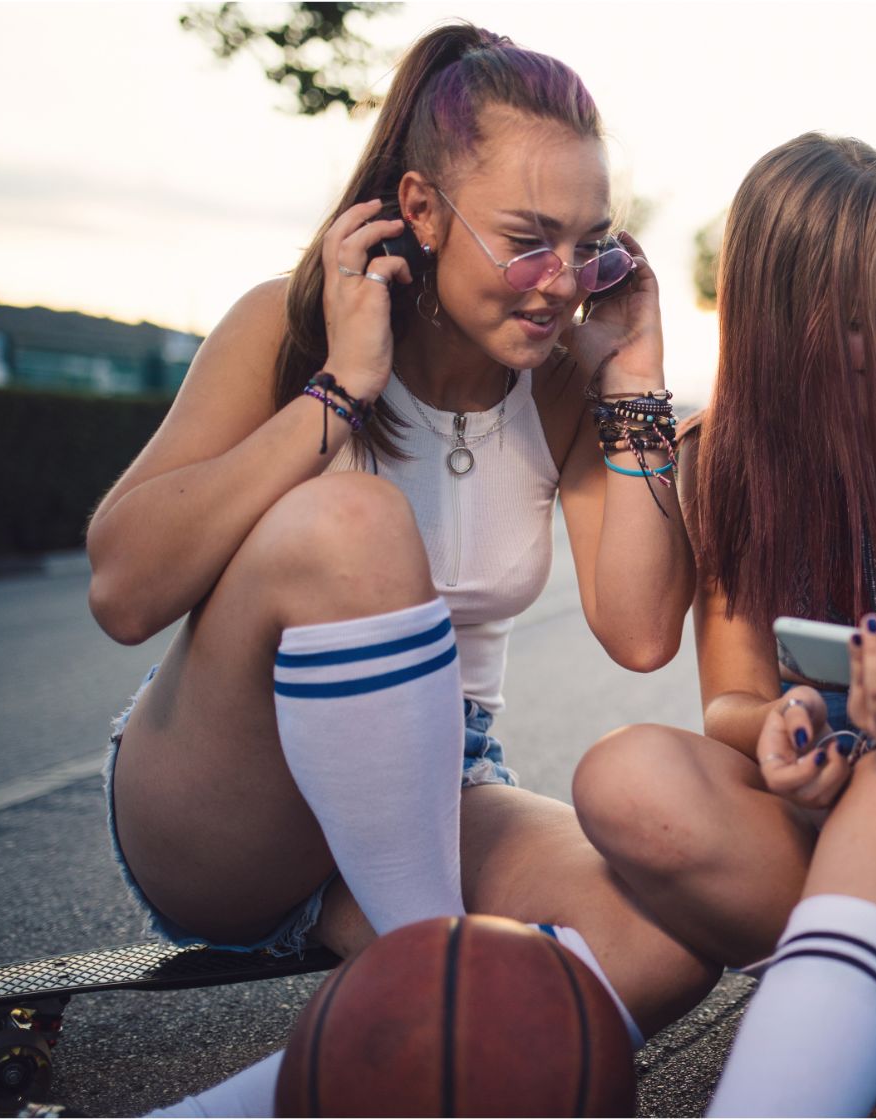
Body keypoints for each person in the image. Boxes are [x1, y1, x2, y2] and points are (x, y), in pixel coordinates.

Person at [85, 23, 715, 1115]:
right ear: (421, 210)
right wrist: (339, 389)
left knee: (669, 929)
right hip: (232, 791)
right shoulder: (282, 329)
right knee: (355, 525)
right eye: (527, 240)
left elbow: (643, 629)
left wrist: (635, 380)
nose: (561, 284)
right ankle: (439, 967)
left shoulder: (564, 376)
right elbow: (123, 592)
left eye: (590, 245)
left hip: (439, 775)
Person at [571, 132, 876, 1117]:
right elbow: (731, 702)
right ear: (779, 318)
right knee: (621, 777)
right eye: (863, 318)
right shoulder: (719, 457)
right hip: (804, 807)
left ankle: (853, 1025)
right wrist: (781, 730)